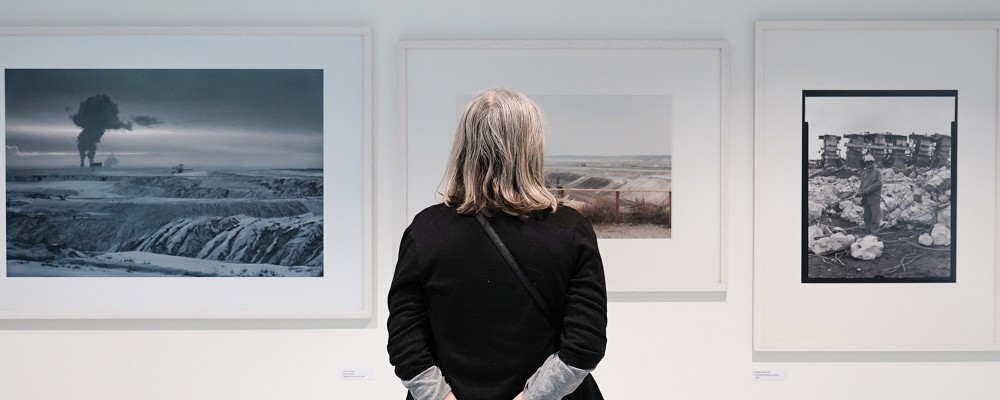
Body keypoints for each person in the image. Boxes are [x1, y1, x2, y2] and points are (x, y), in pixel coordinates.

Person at [387, 88, 608, 400]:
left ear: (464, 146)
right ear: (532, 146)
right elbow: (584, 344)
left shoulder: (427, 230)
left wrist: (441, 397)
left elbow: (404, 338)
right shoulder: (571, 230)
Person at [857, 153, 882, 234]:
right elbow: (861, 185)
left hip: (874, 198)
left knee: (875, 216)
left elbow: (879, 183)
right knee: (867, 216)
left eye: (871, 162)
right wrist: (860, 192)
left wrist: (868, 189)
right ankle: (868, 231)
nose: (869, 164)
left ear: (873, 162)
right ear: (865, 163)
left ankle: (875, 232)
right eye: (868, 162)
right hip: (865, 198)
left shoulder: (877, 172)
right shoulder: (863, 174)